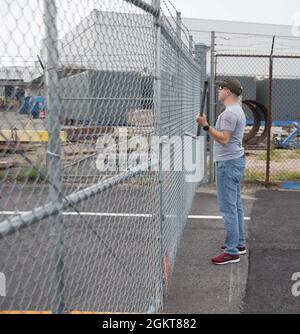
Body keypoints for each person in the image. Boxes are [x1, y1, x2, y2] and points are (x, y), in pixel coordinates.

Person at [196, 79, 247, 265]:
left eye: (221, 88)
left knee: (228, 208)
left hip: (228, 164)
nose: (218, 91)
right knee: (236, 205)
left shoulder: (229, 114)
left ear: (228, 91)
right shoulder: (236, 111)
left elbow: (224, 139)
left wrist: (205, 125)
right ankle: (239, 244)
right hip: (234, 161)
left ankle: (232, 250)